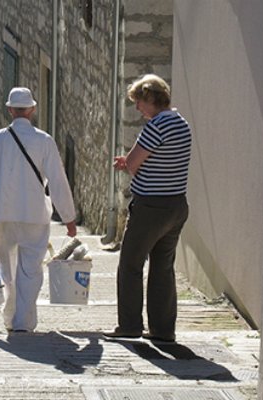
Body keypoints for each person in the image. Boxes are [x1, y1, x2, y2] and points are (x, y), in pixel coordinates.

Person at [0, 87, 78, 332]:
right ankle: (22, 322)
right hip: (34, 216)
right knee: (30, 271)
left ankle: (11, 316)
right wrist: (69, 218)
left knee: (8, 271)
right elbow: (58, 182)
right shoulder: (44, 141)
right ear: (32, 109)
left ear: (9, 110)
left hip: (2, 217)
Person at [103, 74, 192, 343]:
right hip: (176, 204)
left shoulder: (157, 126)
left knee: (130, 263)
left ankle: (130, 325)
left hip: (151, 206)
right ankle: (163, 330)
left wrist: (128, 162)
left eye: (140, 102)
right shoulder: (181, 123)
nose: (138, 109)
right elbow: (159, 160)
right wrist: (132, 161)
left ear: (152, 99)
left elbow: (134, 163)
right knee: (162, 266)